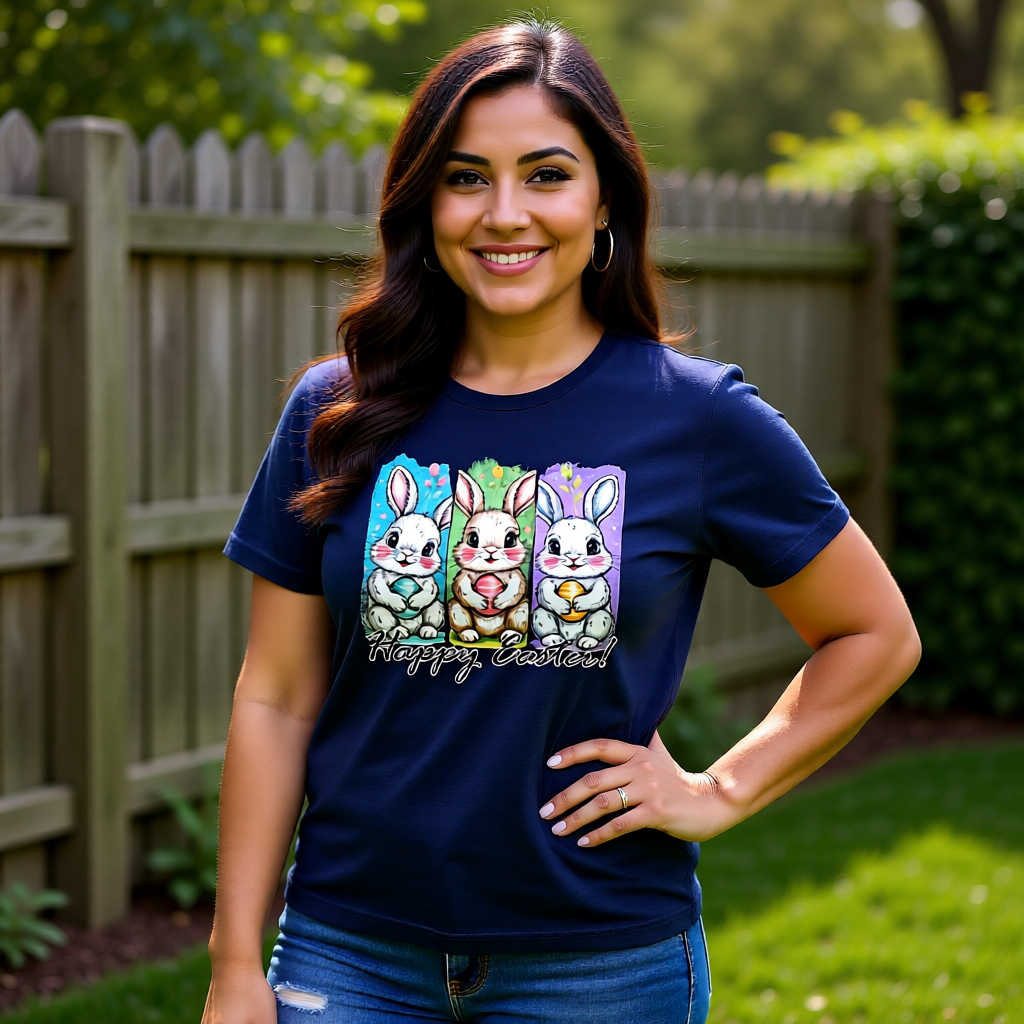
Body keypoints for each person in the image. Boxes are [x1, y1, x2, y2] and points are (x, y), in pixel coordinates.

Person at [203, 19, 920, 1024]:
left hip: (600, 963)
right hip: (348, 951)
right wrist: (236, 965)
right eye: (466, 178)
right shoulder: (337, 410)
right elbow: (274, 697)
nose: (505, 215)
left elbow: (874, 632)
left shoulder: (698, 416)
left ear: (604, 202)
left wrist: (718, 790)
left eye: (545, 175)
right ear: (425, 201)